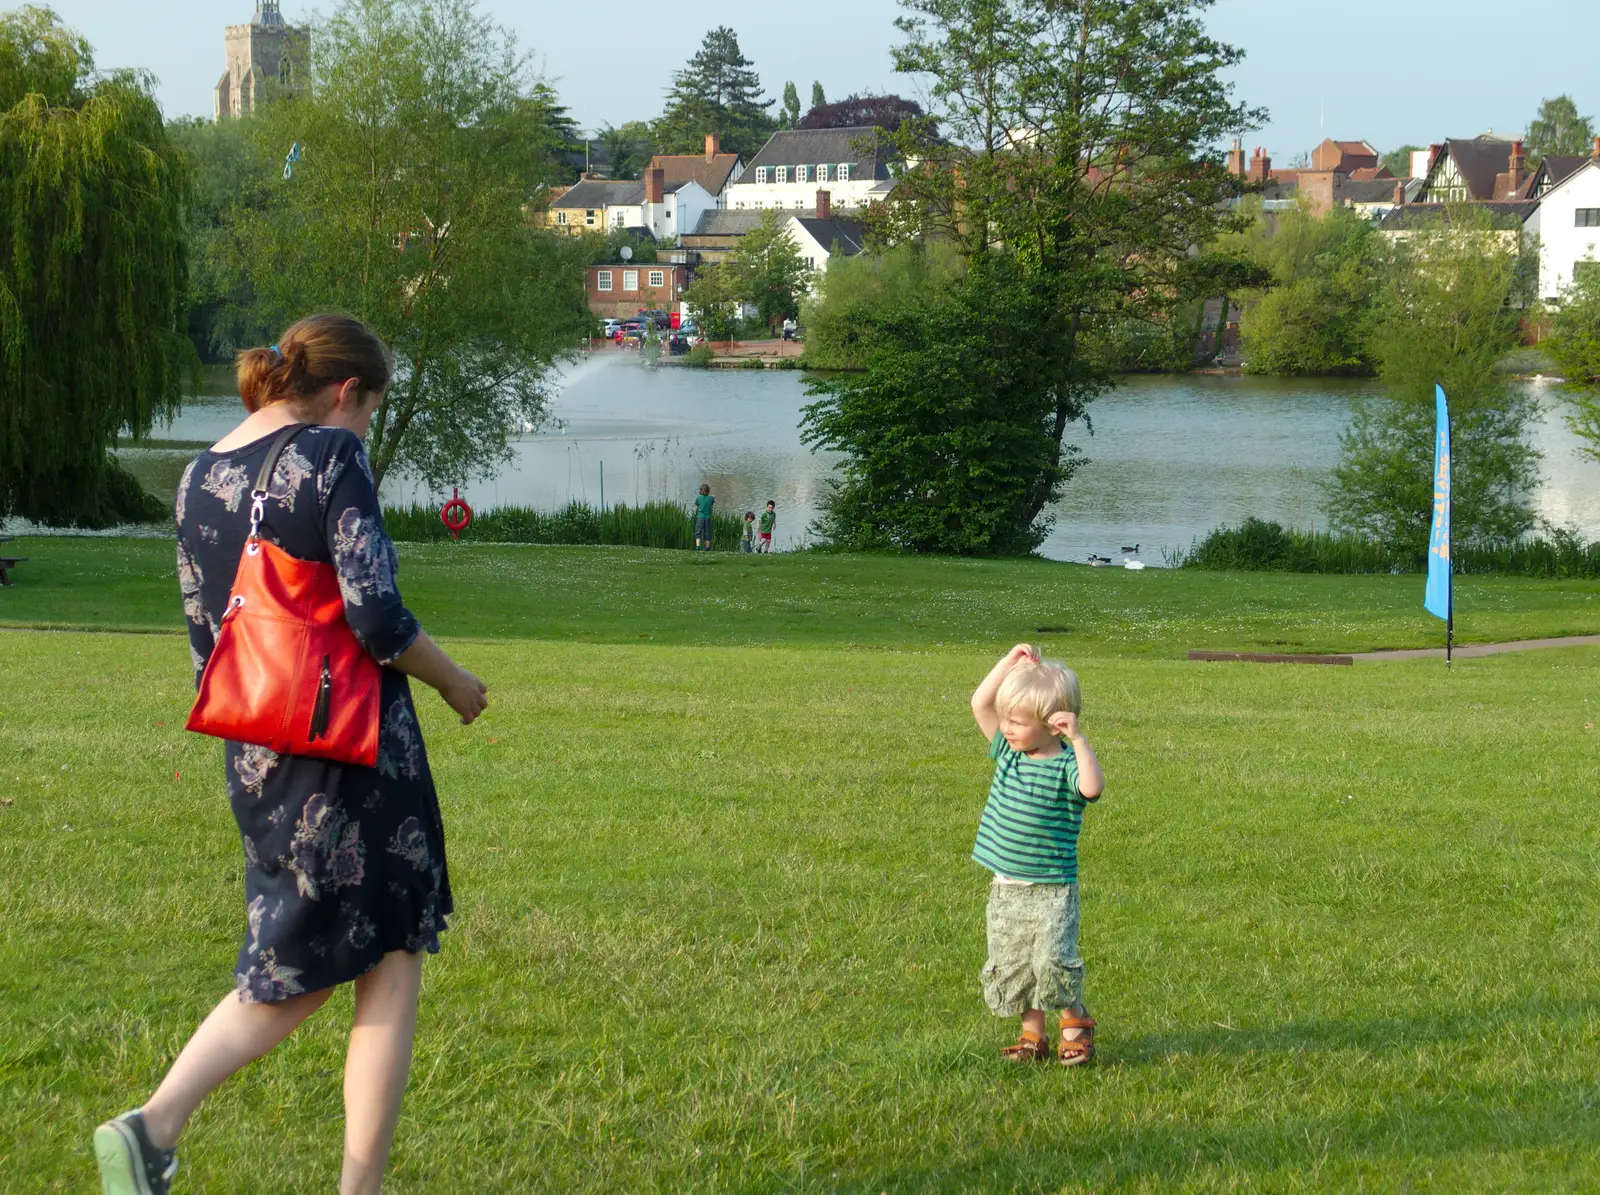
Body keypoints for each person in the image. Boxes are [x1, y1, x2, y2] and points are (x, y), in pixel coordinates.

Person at [94, 314, 489, 1195]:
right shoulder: (329, 454)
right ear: (346, 393)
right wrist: (456, 680)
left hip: (258, 754)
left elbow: (211, 642)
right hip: (350, 751)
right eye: (370, 414)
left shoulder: (200, 473)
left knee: (296, 956)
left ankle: (156, 1132)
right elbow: (377, 617)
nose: (365, 433)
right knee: (379, 957)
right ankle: (171, 1128)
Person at [968, 644, 1105, 1067]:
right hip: (1006, 887)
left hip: (1052, 889)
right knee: (1016, 964)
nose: (1006, 728)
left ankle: (1076, 1023)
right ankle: (1033, 1035)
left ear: (1053, 725)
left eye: (1018, 722)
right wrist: (1008, 664)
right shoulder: (1008, 753)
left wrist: (1079, 739)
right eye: (1005, 719)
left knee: (1051, 962)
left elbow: (1092, 788)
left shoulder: (1067, 765)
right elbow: (980, 702)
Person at [694, 483, 715, 551]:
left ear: (701, 490)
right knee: (708, 532)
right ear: (708, 491)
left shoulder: (698, 498)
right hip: (708, 517)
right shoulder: (711, 498)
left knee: (698, 532)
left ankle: (698, 546)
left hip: (700, 517)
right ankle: (707, 547)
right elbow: (711, 505)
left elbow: (697, 505)